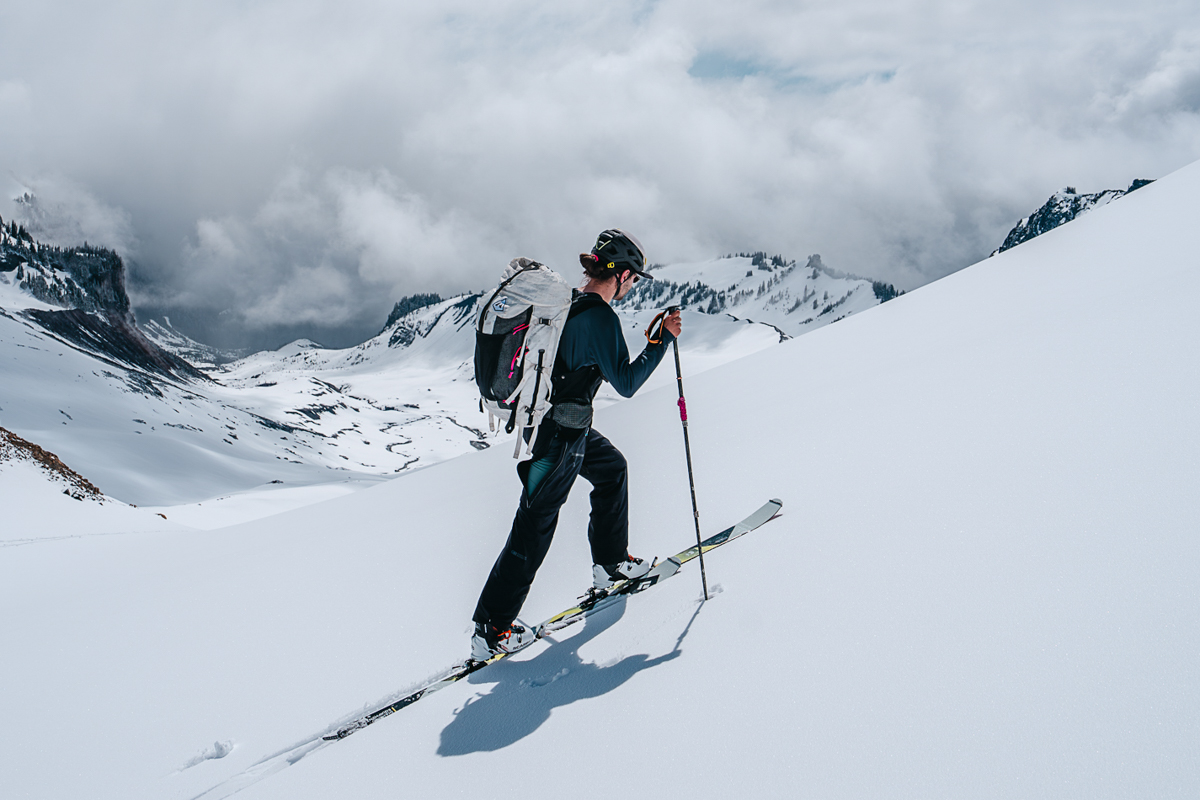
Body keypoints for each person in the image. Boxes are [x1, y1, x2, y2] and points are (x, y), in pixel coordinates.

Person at [471, 229, 683, 660]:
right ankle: (491, 629)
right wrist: (660, 343)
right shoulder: (599, 317)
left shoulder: (568, 306)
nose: (633, 285)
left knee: (613, 469)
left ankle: (609, 565)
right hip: (560, 439)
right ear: (621, 275)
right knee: (534, 526)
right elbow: (625, 383)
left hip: (563, 428)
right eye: (634, 278)